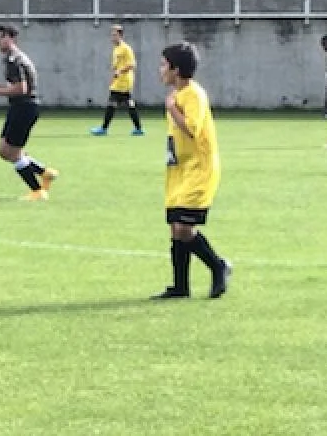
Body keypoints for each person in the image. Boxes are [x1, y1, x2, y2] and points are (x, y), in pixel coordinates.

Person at [152, 41, 231, 300]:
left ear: (176, 69)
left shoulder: (193, 95)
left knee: (184, 228)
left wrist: (172, 108)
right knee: (176, 228)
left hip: (200, 169)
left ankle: (218, 266)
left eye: (164, 64)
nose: (160, 69)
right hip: (180, 169)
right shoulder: (178, 94)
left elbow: (191, 128)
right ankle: (180, 287)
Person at [0, 25, 58, 201]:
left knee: (12, 153)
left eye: (2, 37)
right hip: (20, 107)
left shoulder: (14, 60)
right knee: (3, 149)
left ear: (11, 39)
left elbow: (22, 88)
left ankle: (37, 190)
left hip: (24, 108)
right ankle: (44, 172)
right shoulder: (13, 58)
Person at [90, 24, 144, 136]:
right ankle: (138, 129)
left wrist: (120, 72)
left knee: (112, 103)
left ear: (120, 35)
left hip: (123, 81)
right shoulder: (116, 49)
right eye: (112, 35)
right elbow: (116, 66)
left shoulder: (126, 48)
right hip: (119, 81)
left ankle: (104, 129)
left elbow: (132, 64)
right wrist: (114, 76)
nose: (112, 37)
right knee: (128, 104)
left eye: (115, 35)